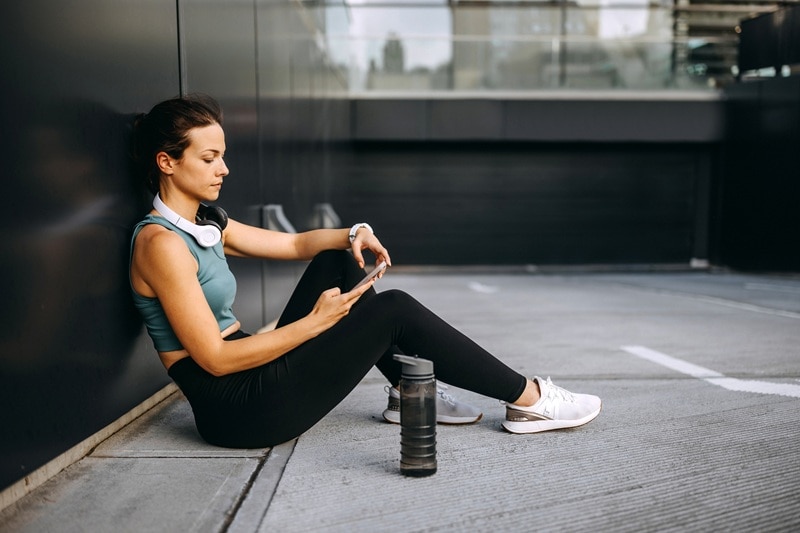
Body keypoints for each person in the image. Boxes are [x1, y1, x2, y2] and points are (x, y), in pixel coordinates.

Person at [129, 94, 602, 449]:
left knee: (337, 260)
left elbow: (294, 243)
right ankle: (529, 400)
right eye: (209, 159)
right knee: (392, 309)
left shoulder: (206, 223)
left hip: (253, 376)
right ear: (167, 162)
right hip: (237, 409)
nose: (224, 169)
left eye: (223, 155)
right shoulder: (161, 245)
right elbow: (215, 359)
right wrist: (316, 323)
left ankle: (407, 395)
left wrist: (354, 231)